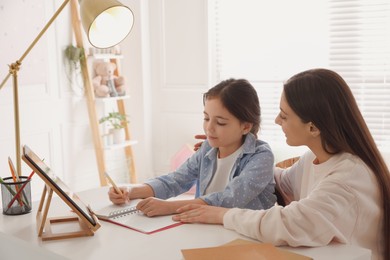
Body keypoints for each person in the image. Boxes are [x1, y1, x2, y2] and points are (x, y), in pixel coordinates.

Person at [173, 68, 390, 260]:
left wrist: (221, 214)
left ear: (313, 128)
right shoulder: (313, 160)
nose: (277, 120)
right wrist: (235, 149)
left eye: (284, 116)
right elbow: (278, 181)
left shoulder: (347, 179)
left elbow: (288, 223)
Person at [108, 78, 276, 217]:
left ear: (246, 127)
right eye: (206, 118)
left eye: (220, 122)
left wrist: (171, 207)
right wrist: (130, 191)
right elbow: (176, 180)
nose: (209, 128)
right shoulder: (207, 149)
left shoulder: (261, 156)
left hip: (245, 236)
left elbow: (230, 198)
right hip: (205, 228)